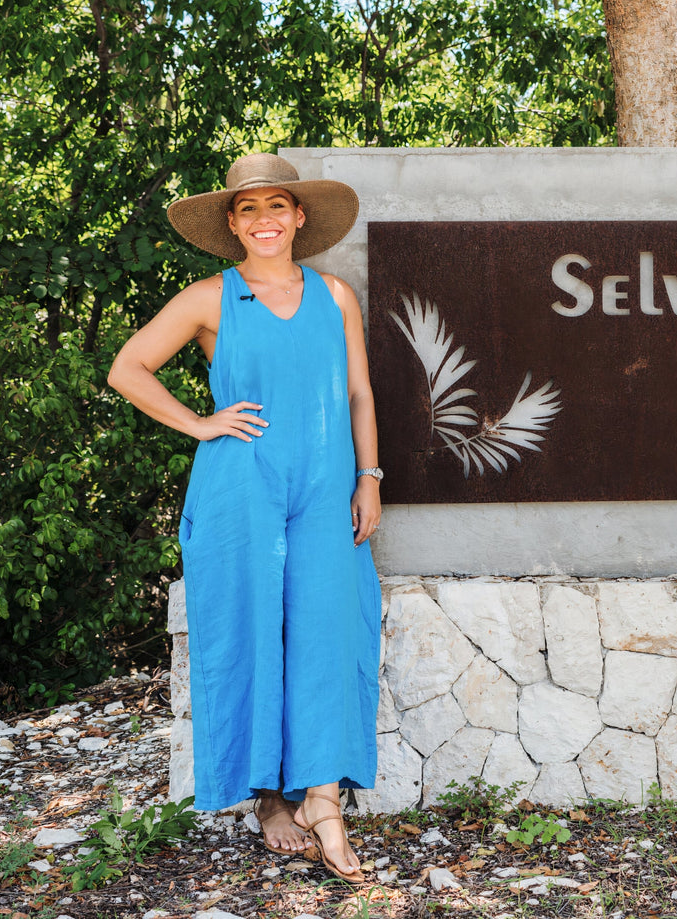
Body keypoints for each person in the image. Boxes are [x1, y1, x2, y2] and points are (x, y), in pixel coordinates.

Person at [109, 152, 383, 881]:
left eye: (276, 206)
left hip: (327, 487)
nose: (264, 220)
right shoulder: (209, 298)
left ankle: (323, 798)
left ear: (299, 216)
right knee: (251, 630)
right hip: (242, 487)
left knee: (329, 625)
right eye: (248, 209)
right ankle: (268, 800)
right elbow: (128, 366)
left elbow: (359, 394)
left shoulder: (335, 294)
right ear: (232, 224)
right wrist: (199, 422)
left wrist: (370, 476)